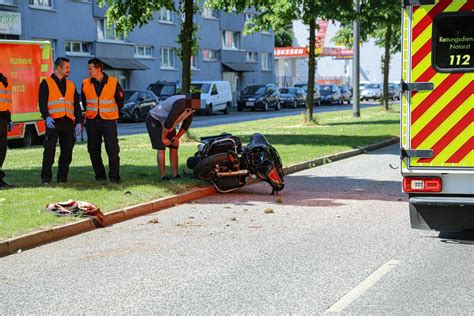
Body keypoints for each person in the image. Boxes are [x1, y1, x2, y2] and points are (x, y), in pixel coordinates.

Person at [39, 57, 83, 185]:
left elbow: (76, 105)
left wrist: (79, 121)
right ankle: (46, 178)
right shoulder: (46, 83)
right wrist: (46, 116)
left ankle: (62, 177)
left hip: (68, 122)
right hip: (53, 122)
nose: (69, 70)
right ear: (59, 68)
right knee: (49, 151)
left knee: (67, 151)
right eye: (67, 67)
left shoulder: (71, 84)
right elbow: (42, 102)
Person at [81, 58, 124, 184]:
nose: (88, 71)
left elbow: (120, 101)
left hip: (109, 121)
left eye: (90, 69)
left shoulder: (113, 82)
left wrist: (111, 113)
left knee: (112, 150)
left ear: (98, 69)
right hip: (92, 121)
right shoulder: (85, 83)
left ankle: (114, 177)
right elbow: (84, 102)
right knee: (93, 149)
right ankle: (100, 176)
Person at [146, 94, 199, 181]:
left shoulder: (192, 106)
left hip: (168, 123)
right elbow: (169, 121)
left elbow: (185, 125)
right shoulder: (180, 104)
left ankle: (175, 175)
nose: (193, 111)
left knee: (174, 146)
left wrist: (177, 137)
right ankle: (163, 176)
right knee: (161, 147)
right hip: (155, 120)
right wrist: (163, 138)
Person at [0, 72, 14, 188]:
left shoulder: (4, 80)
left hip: (3, 118)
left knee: (2, 149)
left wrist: (9, 119)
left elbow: (6, 102)